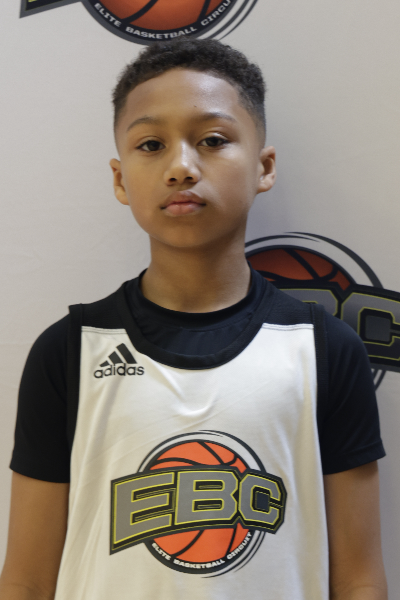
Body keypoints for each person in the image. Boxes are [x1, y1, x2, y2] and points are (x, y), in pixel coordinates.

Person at [0, 38, 387, 600]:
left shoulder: (325, 348)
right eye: (151, 145)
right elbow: (27, 579)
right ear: (119, 179)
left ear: (263, 166)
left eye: (212, 140)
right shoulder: (69, 351)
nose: (181, 167)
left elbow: (358, 578)